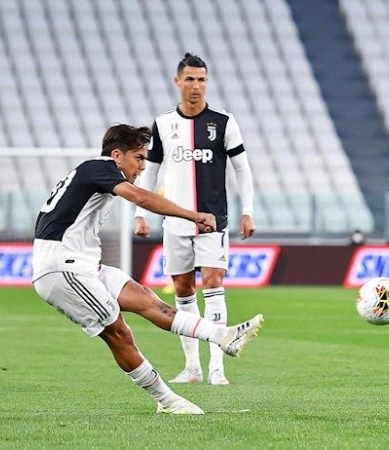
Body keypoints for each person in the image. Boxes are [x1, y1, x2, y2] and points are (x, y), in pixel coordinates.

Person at [32, 124, 264, 415]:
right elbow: (140, 197)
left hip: (83, 265)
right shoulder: (99, 168)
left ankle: (224, 337)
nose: (142, 166)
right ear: (117, 155)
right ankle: (167, 401)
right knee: (119, 333)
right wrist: (193, 215)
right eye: (138, 158)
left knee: (146, 299)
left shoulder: (92, 173)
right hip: (62, 269)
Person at [134, 53, 256, 386]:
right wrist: (140, 213)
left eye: (201, 79)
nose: (196, 86)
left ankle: (217, 366)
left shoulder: (224, 121)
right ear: (178, 82)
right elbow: (151, 171)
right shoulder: (162, 124)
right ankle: (192, 367)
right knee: (183, 291)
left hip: (213, 220)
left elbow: (242, 169)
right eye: (190, 79)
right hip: (174, 223)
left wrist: (248, 210)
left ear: (207, 82)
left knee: (214, 283)